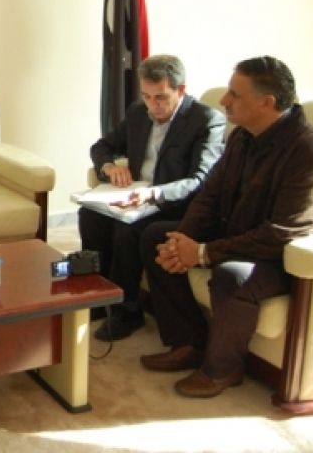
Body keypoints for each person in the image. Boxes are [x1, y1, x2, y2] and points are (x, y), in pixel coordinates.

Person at [139, 56, 313, 398]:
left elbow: (282, 233)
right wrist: (182, 240)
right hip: (239, 234)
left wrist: (203, 253)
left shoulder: (310, 150)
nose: (224, 100)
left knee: (232, 275)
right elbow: (210, 196)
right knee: (157, 236)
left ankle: (222, 370)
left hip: (282, 255)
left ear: (266, 102)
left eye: (234, 94)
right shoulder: (243, 135)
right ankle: (190, 343)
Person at [80, 54, 225, 341]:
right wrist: (108, 167)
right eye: (146, 96)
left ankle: (127, 311)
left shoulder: (206, 121)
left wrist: (153, 193)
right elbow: (102, 146)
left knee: (127, 230)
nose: (152, 105)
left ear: (180, 90)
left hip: (174, 203)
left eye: (160, 97)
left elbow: (199, 181)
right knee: (90, 214)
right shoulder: (138, 113)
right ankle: (98, 297)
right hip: (136, 196)